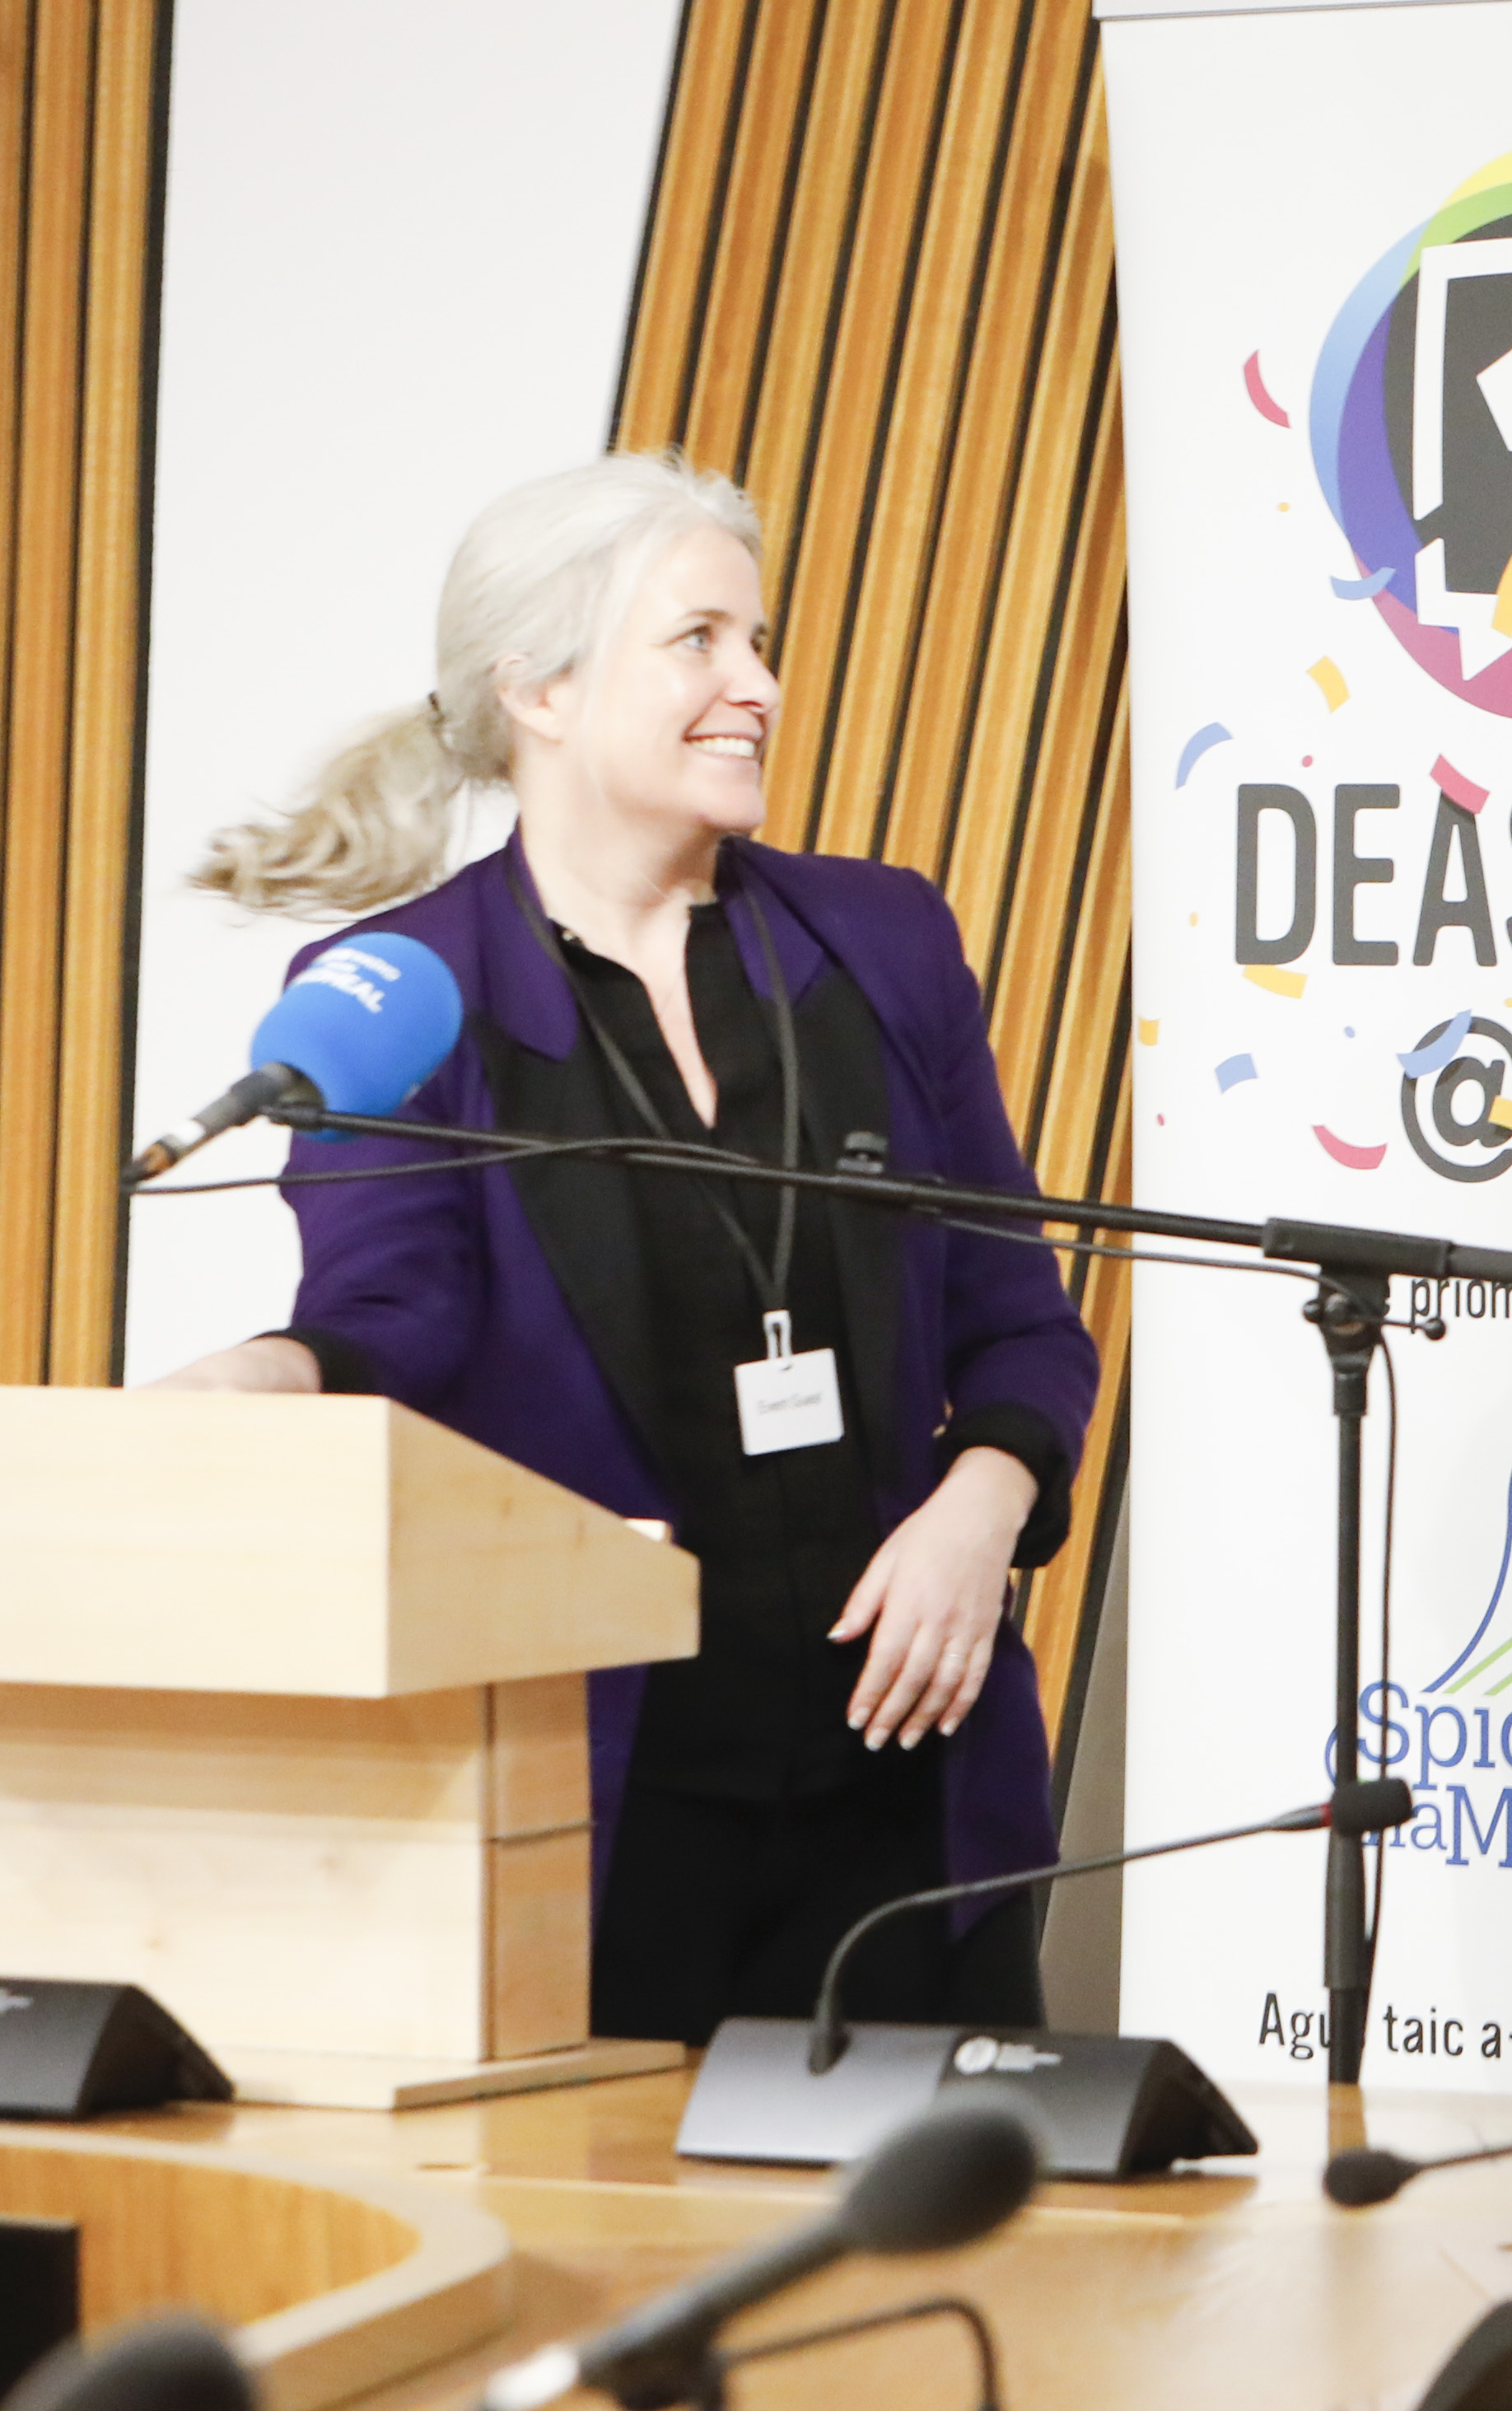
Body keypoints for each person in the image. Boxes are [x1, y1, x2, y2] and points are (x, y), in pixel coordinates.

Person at [154, 452, 1098, 2046]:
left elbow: (1021, 1321)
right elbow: (397, 1310)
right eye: (704, 641)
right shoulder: (404, 989)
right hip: (605, 1806)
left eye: (761, 643)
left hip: (907, 1787)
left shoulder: (883, 943)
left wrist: (982, 1511)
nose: (761, 688)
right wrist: (271, 1368)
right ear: (540, 688)